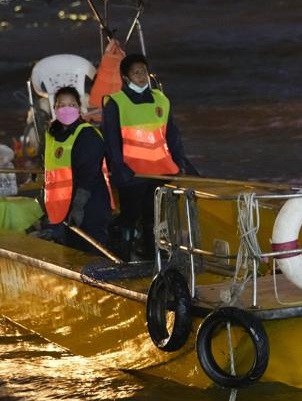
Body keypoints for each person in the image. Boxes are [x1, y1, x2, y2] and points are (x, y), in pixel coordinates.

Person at [101, 53, 199, 260]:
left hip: (158, 172)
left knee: (152, 219)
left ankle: (151, 257)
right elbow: (111, 142)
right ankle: (123, 258)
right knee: (129, 217)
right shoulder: (116, 103)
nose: (141, 76)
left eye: (144, 71)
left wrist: (178, 162)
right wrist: (121, 170)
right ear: (126, 77)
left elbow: (172, 134)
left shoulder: (161, 100)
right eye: (136, 72)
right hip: (131, 175)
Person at [43, 86, 113, 254]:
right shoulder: (52, 135)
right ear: (55, 109)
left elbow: (88, 175)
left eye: (72, 105)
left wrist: (78, 207)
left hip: (88, 206)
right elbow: (50, 173)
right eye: (61, 105)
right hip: (62, 210)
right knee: (72, 255)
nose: (66, 109)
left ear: (79, 108)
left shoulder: (88, 135)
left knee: (92, 254)